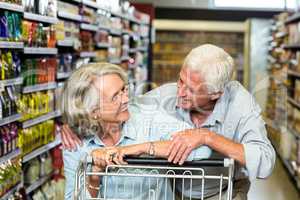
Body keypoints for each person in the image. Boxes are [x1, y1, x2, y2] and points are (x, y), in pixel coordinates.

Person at [62, 44, 276, 200]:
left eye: (191, 90)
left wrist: (206, 137)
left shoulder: (239, 103)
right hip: (178, 191)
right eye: (180, 80)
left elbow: (265, 163)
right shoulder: (163, 97)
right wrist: (73, 123)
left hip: (220, 191)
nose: (179, 92)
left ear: (215, 93)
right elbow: (124, 106)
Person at [61, 63, 211, 200]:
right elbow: (72, 197)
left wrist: (140, 148)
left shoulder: (147, 117)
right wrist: (95, 174)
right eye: (115, 96)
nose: (126, 99)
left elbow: (202, 150)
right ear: (93, 111)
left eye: (124, 90)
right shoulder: (76, 142)